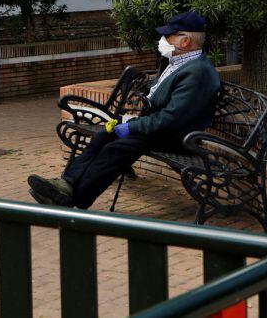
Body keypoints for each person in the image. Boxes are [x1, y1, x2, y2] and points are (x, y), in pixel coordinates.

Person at [28, 11, 220, 209]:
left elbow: (171, 118)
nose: (162, 40)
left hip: (177, 136)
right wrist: (129, 120)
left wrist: (132, 126)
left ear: (185, 41)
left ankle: (75, 200)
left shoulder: (197, 72)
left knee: (117, 148)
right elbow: (158, 102)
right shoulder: (177, 63)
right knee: (104, 135)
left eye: (168, 35)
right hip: (161, 129)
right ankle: (66, 184)